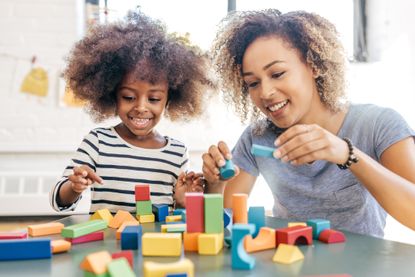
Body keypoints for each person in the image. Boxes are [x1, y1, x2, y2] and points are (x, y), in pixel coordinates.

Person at [202, 9, 415, 237]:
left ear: (313, 66)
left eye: (277, 73)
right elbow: (220, 225)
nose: (265, 92)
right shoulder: (257, 137)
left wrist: (347, 153)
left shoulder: (378, 125)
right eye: (253, 83)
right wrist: (215, 184)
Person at [50, 11, 217, 213]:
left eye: (154, 99)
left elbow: (174, 216)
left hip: (154, 244)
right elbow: (59, 201)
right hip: (109, 244)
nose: (140, 107)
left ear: (168, 100)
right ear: (113, 95)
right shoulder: (98, 142)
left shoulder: (176, 152)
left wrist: (182, 202)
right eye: (129, 97)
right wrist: (74, 187)